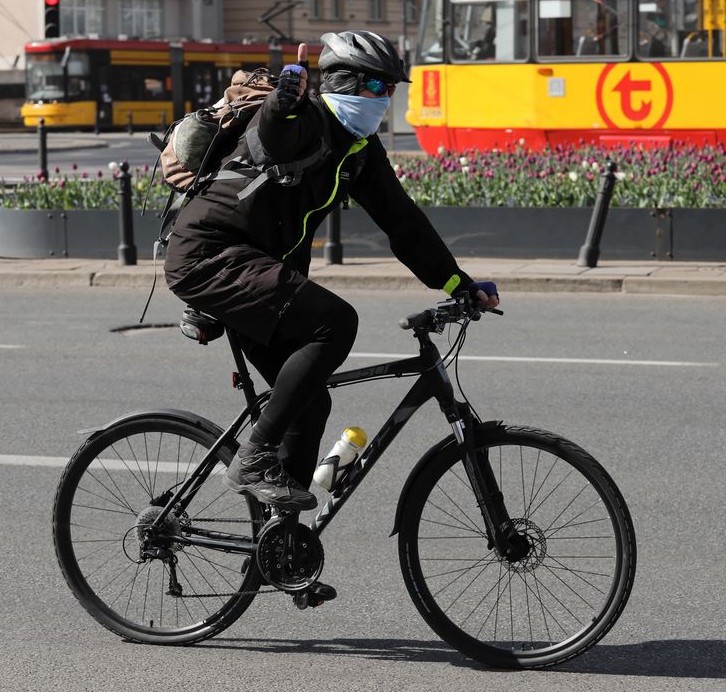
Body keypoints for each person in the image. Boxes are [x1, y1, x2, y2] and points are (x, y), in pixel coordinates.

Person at [163, 31, 500, 597]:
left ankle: (283, 549)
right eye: (370, 84)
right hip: (209, 257)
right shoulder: (307, 122)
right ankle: (251, 458)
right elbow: (274, 134)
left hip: (256, 269)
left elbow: (404, 225)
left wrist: (457, 284)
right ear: (339, 82)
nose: (380, 97)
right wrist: (283, 98)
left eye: (388, 88)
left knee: (310, 397)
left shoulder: (361, 153)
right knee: (336, 322)